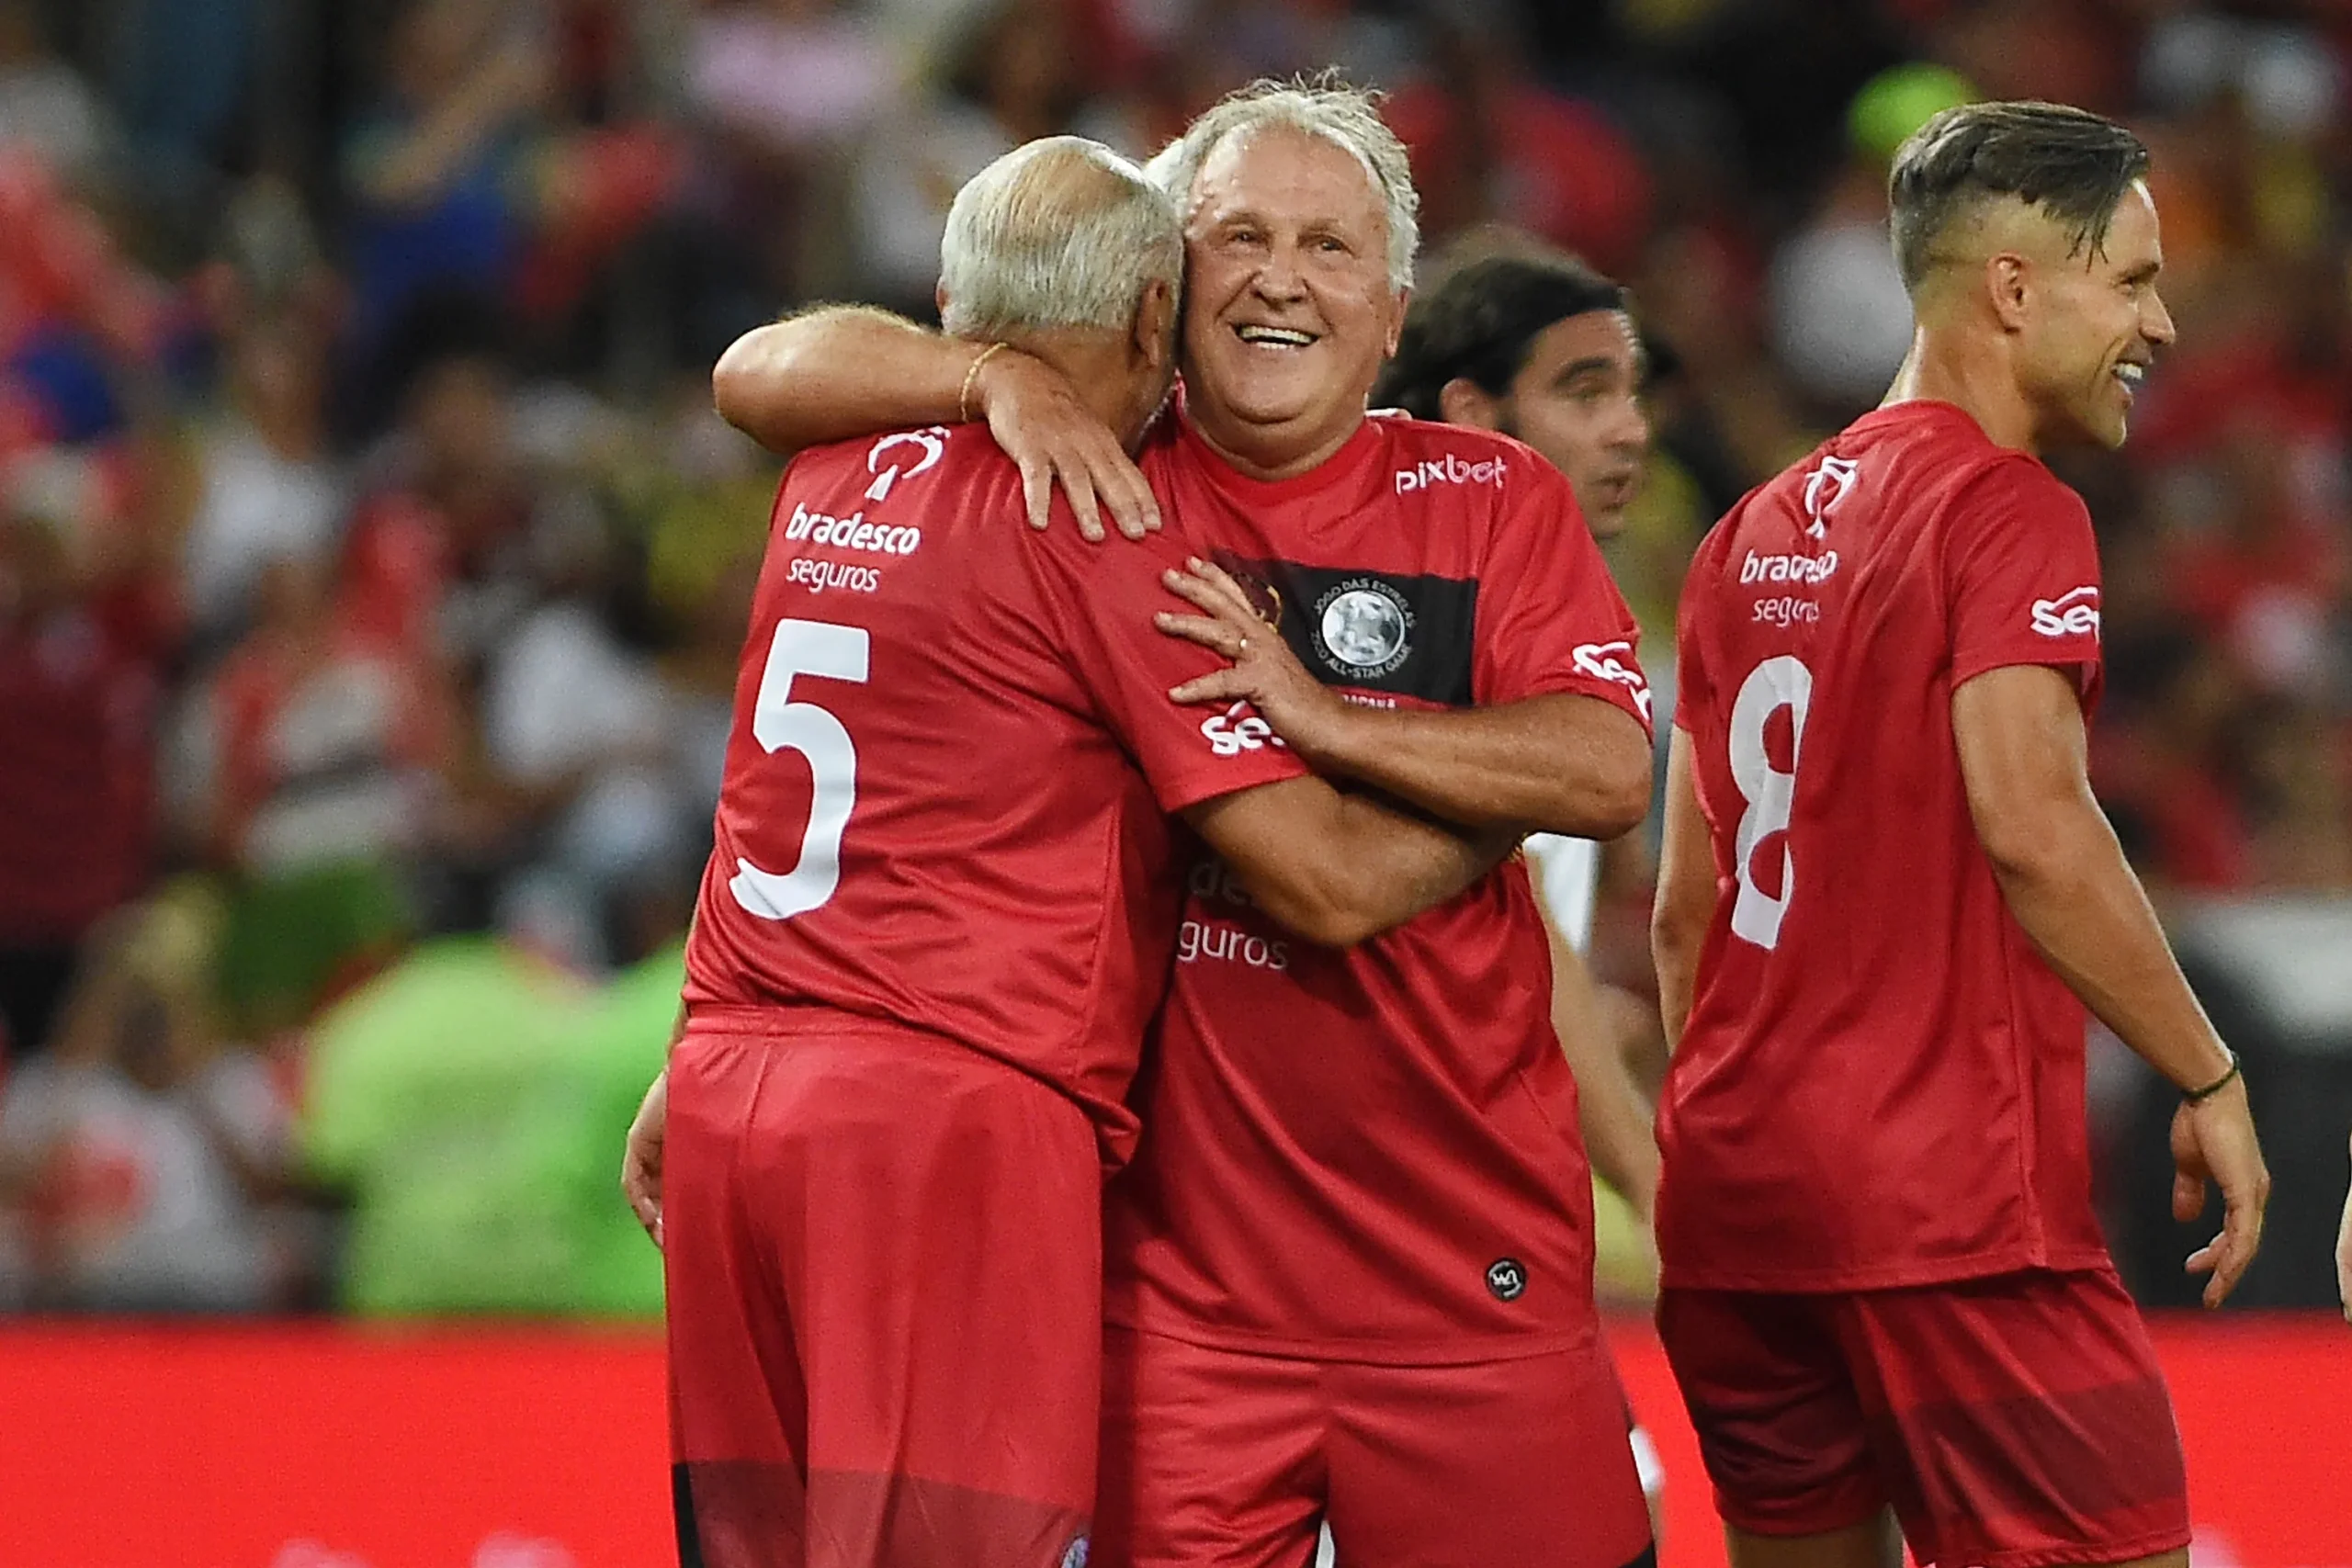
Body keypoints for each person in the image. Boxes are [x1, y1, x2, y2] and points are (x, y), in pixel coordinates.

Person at [689, 83, 1661, 1568]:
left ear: (1394, 313)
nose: (1282, 277)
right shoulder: (1093, 480)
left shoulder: (1489, 498)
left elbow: (1606, 767)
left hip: (1470, 1277)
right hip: (1171, 1310)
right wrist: (995, 382)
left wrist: (1339, 723)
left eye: (1329, 247)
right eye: (1242, 238)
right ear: (1166, 289)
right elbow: (763, 370)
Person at [1649, 101, 2271, 1568]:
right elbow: (2036, 822)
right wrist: (2208, 1070)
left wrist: (1768, 1137)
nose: (2161, 324)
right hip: (1951, 1213)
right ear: (2012, 288)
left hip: (1737, 1205)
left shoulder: (1746, 533)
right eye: (2131, 281)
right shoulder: (2007, 510)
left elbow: (1688, 908)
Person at [1371, 243, 1668, 1523]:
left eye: (1632, 392)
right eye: (1585, 392)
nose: (1631, 430)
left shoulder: (1554, 614)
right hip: (1406, 1208)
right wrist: (1657, 1183)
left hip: (1465, 1201)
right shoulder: (1445, 623)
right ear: (1473, 415)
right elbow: (1530, 947)